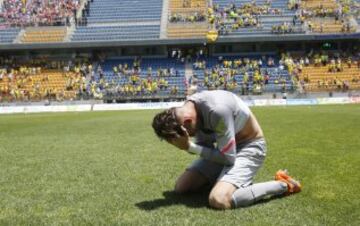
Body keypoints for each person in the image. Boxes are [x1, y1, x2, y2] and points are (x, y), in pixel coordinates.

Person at [152, 90, 301, 209]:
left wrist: (189, 147)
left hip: (249, 146)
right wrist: (192, 146)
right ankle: (225, 181)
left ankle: (283, 184)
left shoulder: (218, 110)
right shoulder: (188, 108)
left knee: (219, 199)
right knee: (182, 188)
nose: (190, 136)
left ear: (187, 122)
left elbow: (228, 158)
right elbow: (207, 146)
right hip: (226, 149)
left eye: (187, 134)